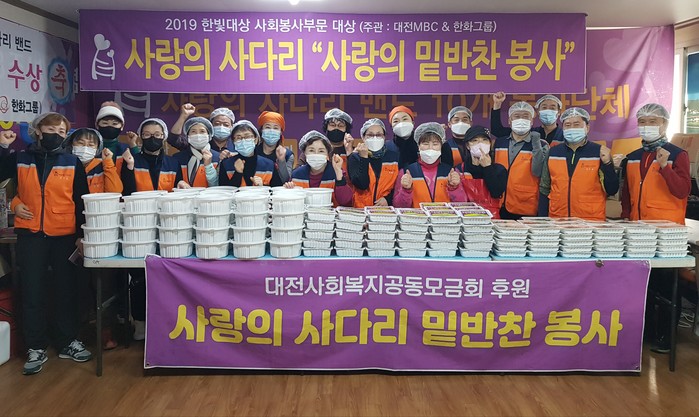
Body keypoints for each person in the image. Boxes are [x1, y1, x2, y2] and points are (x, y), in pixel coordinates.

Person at [0, 112, 92, 375]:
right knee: (32, 291)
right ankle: (35, 346)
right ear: (38, 130)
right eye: (51, 129)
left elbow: (81, 199)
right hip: (31, 235)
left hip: (64, 236)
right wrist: (15, 204)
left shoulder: (72, 161)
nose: (56, 134)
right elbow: (5, 181)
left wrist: (81, 234)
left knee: (65, 290)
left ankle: (67, 341)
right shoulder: (21, 158)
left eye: (62, 131)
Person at [621, 103, 691, 354]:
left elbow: (682, 191)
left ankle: (666, 336)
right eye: (643, 121)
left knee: (667, 285)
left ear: (664, 124)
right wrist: (626, 218)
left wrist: (665, 167)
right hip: (639, 232)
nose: (647, 126)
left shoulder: (677, 154)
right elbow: (627, 194)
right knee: (643, 285)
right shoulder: (632, 156)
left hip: (667, 233)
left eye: (653, 121)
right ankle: (647, 331)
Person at [538, 108, 618, 220]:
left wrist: (608, 163)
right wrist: (542, 220)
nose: (572, 128)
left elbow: (612, 189)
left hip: (591, 220)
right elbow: (544, 188)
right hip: (558, 219)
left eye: (576, 124)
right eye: (567, 125)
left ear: (587, 128)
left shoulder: (599, 152)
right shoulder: (553, 152)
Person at [493, 101, 549, 220]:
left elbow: (538, 171)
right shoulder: (500, 142)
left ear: (532, 121)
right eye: (517, 116)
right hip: (499, 204)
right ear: (509, 120)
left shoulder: (541, 144)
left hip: (526, 205)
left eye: (525, 116)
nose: (521, 120)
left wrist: (536, 144)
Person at [393, 122, 466, 208]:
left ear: (441, 146)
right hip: (417, 216)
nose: (430, 148)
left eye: (435, 144)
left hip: (446, 216)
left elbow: (463, 205)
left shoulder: (451, 172)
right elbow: (398, 206)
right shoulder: (406, 172)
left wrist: (454, 188)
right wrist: (406, 190)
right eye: (425, 143)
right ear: (418, 146)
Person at [121, 118, 188, 194]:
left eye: (157, 135)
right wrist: (129, 168)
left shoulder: (173, 163)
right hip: (140, 202)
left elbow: (178, 191)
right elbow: (127, 192)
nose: (152, 138)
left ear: (163, 137)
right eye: (147, 134)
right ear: (141, 137)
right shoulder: (131, 161)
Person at [286, 130, 353, 207]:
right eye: (311, 150)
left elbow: (346, 201)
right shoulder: (297, 175)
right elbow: (292, 203)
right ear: (305, 153)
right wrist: (289, 190)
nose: (316, 154)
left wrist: (338, 175)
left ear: (327, 154)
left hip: (329, 213)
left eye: (321, 151)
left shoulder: (336, 172)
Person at [455, 126, 507, 218]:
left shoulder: (499, 169)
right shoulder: (459, 169)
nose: (480, 144)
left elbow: (496, 193)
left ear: (490, 144)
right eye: (475, 140)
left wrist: (487, 167)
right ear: (468, 146)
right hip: (466, 217)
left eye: (484, 140)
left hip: (491, 218)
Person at [348, 118, 400, 208]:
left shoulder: (394, 157)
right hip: (361, 210)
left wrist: (388, 199)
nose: (375, 138)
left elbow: (398, 185)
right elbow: (362, 184)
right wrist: (364, 158)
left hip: (385, 210)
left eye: (379, 135)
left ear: (384, 137)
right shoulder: (355, 157)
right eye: (370, 135)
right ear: (363, 137)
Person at [218, 120, 282, 187]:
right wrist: (238, 173)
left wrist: (262, 187)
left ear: (256, 140)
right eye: (238, 137)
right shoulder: (226, 164)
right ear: (234, 142)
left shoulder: (269, 164)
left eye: (247, 136)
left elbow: (277, 190)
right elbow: (223, 191)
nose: (243, 140)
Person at [490, 93, 565, 145]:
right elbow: (497, 130)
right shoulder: (528, 132)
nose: (548, 111)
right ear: (538, 112)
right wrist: (497, 104)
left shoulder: (565, 135)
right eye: (544, 107)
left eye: (552, 108)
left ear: (559, 112)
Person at [67, 128, 123, 194]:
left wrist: (108, 163)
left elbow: (115, 192)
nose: (85, 148)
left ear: (97, 149)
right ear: (71, 145)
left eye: (91, 145)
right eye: (80, 143)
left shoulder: (102, 166)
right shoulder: (64, 165)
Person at [172, 117, 219, 187]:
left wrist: (208, 165)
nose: (198, 135)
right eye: (193, 131)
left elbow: (219, 185)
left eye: (202, 131)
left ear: (209, 135)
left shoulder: (218, 157)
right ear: (188, 136)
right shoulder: (178, 158)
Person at [169, 103, 236, 152]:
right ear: (211, 126)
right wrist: (184, 116)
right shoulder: (200, 141)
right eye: (217, 124)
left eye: (226, 125)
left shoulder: (237, 144)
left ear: (232, 127)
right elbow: (173, 139)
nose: (221, 127)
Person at [95, 101, 139, 174]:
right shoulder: (92, 148)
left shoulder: (126, 149)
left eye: (115, 124)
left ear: (122, 126)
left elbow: (140, 165)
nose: (110, 126)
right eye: (105, 123)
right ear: (97, 125)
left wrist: (133, 145)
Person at [257, 111, 294, 184]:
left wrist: (281, 160)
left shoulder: (288, 155)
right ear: (261, 130)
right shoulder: (253, 151)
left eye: (276, 128)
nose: (271, 131)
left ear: (280, 132)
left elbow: (286, 181)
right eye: (267, 127)